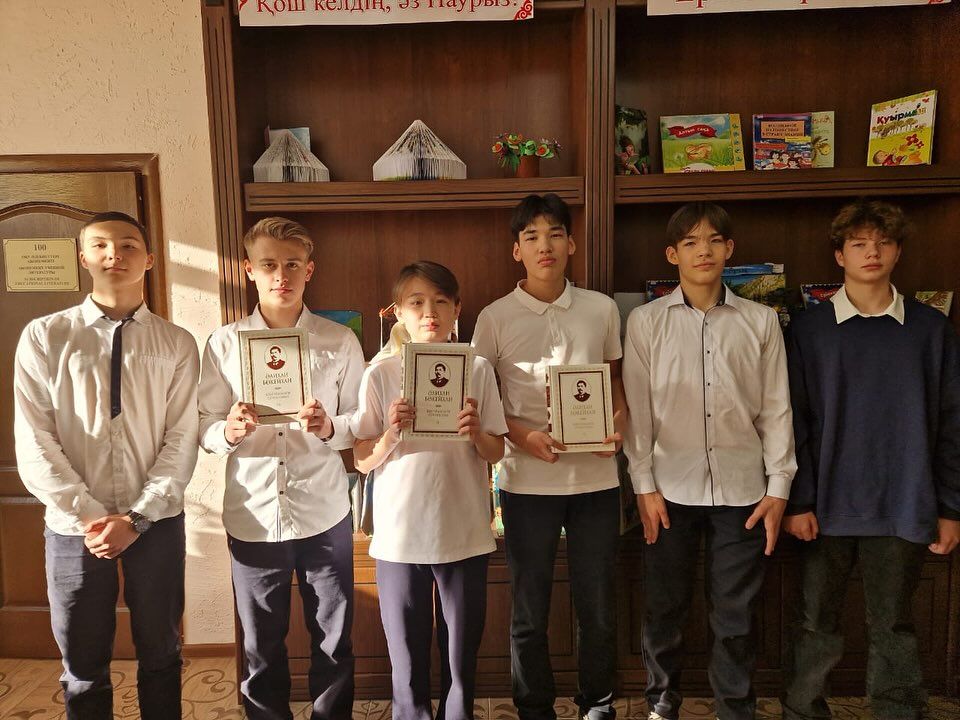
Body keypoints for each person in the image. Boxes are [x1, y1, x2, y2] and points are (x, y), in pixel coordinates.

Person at [13, 211, 199, 720]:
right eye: (100, 245)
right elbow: (34, 439)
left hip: (155, 523)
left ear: (150, 259)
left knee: (161, 652)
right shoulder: (45, 336)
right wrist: (92, 516)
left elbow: (182, 438)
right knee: (82, 663)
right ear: (83, 258)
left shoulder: (176, 342)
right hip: (74, 527)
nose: (114, 254)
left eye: (128, 245)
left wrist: (137, 517)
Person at [781, 200, 960, 720]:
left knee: (894, 625)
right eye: (858, 243)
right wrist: (798, 501)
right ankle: (802, 710)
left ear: (898, 251)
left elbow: (952, 424)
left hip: (904, 503)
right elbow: (793, 422)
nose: (872, 252)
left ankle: (898, 711)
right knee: (815, 624)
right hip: (825, 507)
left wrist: (950, 507)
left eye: (883, 243)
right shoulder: (809, 331)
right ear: (839, 255)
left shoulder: (931, 330)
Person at [622, 201, 796, 720]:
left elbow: (776, 408)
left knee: (736, 616)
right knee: (665, 607)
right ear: (672, 254)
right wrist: (643, 485)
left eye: (714, 240)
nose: (704, 251)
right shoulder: (646, 322)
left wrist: (779, 487)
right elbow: (638, 412)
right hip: (669, 489)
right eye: (691, 242)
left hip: (744, 491)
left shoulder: (761, 321)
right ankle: (661, 702)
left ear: (729, 249)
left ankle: (734, 709)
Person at [198, 216, 364, 720]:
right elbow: (203, 425)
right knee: (260, 644)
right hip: (253, 513)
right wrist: (229, 430)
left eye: (293, 264)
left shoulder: (339, 340)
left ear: (309, 270)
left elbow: (361, 422)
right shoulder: (224, 343)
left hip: (324, 512)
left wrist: (329, 426)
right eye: (268, 264)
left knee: (333, 638)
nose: (281, 275)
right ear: (249, 269)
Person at [472, 193, 626, 720]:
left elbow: (615, 384)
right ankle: (534, 707)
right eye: (532, 236)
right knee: (529, 609)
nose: (546, 246)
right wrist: (522, 437)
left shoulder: (601, 309)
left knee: (597, 606)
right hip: (526, 483)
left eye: (555, 234)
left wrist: (617, 429)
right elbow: (482, 400)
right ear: (517, 250)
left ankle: (598, 704)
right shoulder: (494, 317)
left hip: (597, 482)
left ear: (571, 244)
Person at [351, 261, 507, 720]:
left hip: (464, 531)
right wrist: (390, 436)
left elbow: (496, 450)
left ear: (457, 308)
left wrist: (476, 432)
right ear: (398, 311)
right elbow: (361, 459)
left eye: (440, 301)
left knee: (460, 659)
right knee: (406, 661)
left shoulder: (478, 369)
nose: (429, 312)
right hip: (399, 537)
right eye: (416, 302)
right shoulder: (380, 373)